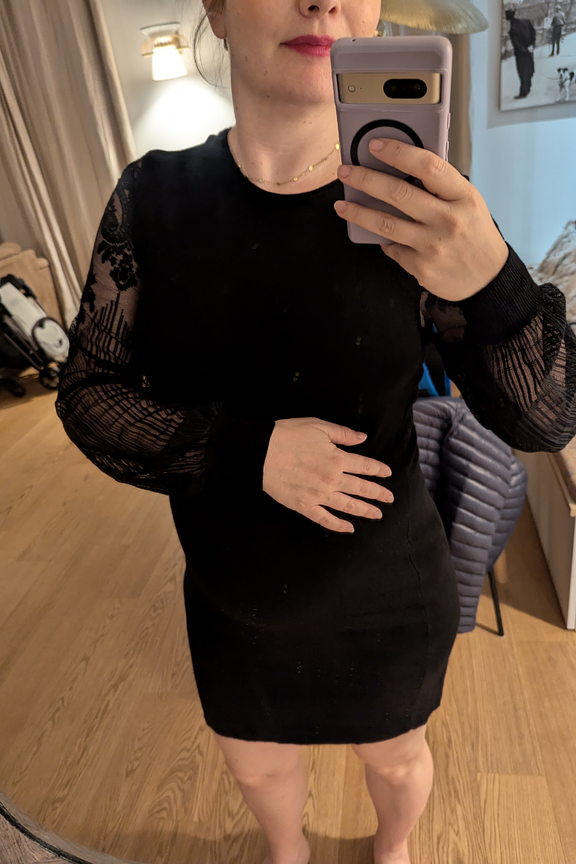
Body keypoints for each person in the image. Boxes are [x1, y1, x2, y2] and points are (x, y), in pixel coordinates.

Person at [54, 2, 576, 863]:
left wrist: (492, 280)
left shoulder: (420, 204)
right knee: (256, 769)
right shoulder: (151, 198)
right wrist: (247, 450)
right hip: (232, 598)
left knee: (398, 760)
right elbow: (87, 394)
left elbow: (546, 417)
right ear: (217, 10)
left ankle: (392, 851)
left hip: (388, 593)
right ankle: (288, 854)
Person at [504, 7, 536, 99]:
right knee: (529, 68)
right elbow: (533, 33)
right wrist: (531, 45)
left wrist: (524, 50)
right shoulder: (526, 22)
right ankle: (528, 87)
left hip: (521, 53)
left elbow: (516, 44)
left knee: (522, 72)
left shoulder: (512, 29)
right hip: (529, 50)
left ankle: (523, 92)